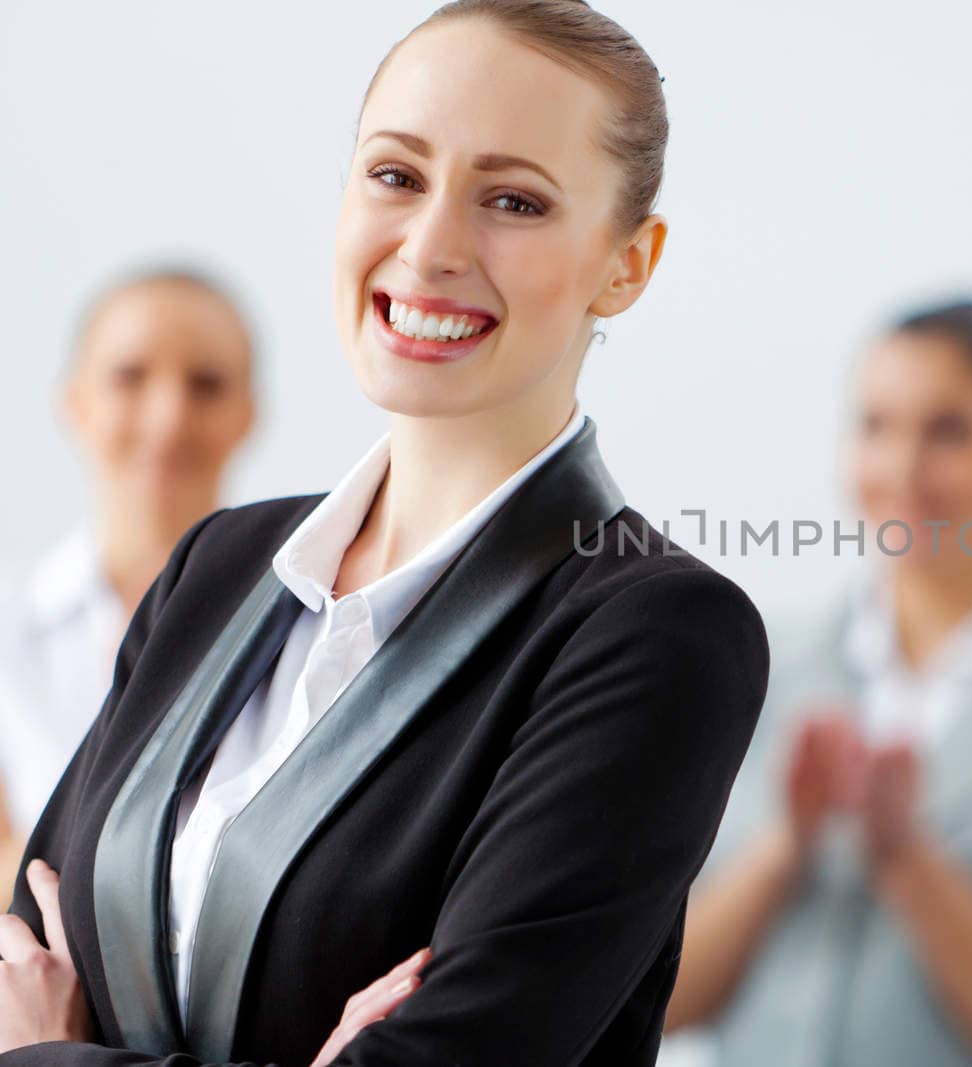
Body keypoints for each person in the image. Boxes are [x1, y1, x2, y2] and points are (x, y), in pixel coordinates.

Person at [0, 2, 769, 1064]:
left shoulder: (656, 631)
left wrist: (52, 1054)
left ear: (626, 265)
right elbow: (16, 960)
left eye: (513, 199)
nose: (432, 245)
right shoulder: (216, 568)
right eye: (396, 176)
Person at [661, 300, 972, 1067]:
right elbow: (657, 1003)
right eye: (876, 426)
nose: (902, 468)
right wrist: (788, 846)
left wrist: (907, 857)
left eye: (949, 431)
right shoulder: (750, 664)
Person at [0, 268, 257, 908]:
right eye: (129, 376)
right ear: (75, 403)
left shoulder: (306, 624)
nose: (168, 418)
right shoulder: (11, 638)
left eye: (206, 385)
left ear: (247, 415)